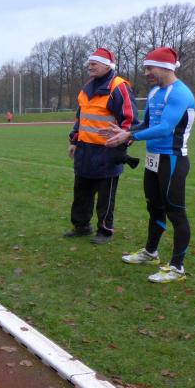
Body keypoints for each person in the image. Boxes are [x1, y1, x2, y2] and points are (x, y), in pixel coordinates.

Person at [103, 47, 195, 283]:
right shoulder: (155, 92)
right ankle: (151, 253)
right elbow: (146, 124)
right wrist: (126, 132)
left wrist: (130, 136)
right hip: (153, 159)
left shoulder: (180, 93)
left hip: (172, 159)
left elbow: (165, 128)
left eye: (150, 68)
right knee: (154, 207)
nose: (146, 73)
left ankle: (177, 268)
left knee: (175, 212)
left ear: (165, 67)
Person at [65, 48, 137, 244]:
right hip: (84, 150)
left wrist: (123, 141)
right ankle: (81, 226)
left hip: (107, 151)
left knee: (106, 196)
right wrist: (74, 141)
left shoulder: (119, 87)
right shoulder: (86, 88)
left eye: (94, 63)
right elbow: (81, 118)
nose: (90, 66)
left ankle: (105, 231)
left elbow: (130, 120)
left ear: (107, 65)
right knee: (81, 192)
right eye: (89, 63)